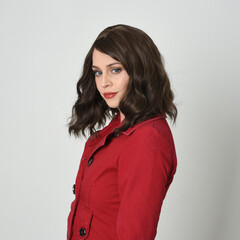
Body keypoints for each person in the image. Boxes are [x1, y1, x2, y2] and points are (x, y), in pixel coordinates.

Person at [67, 24, 178, 240]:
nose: (104, 82)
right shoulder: (118, 128)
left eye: (115, 69)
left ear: (140, 70)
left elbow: (135, 234)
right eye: (98, 73)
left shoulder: (147, 138)